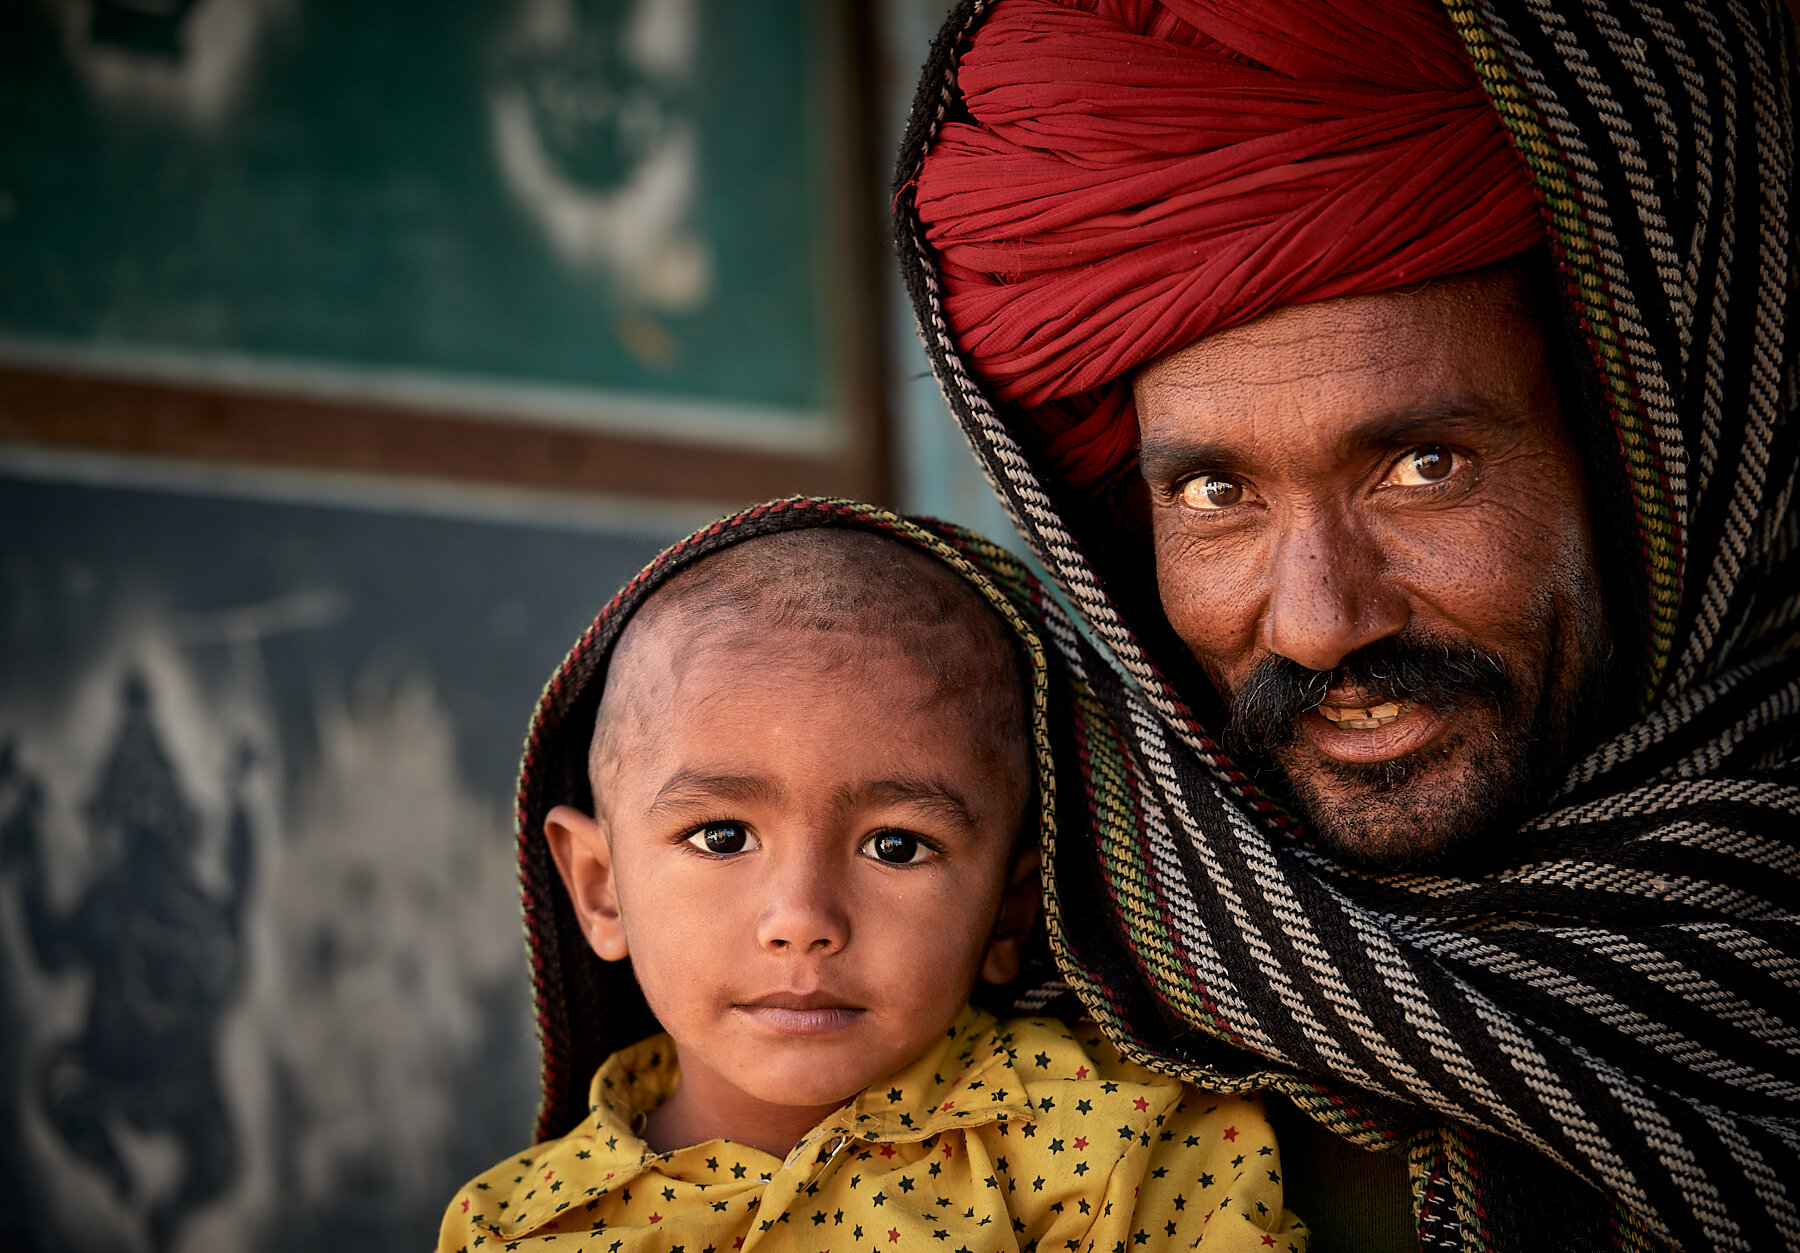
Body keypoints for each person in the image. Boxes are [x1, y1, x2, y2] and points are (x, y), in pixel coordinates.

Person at [894, 2, 1800, 1251]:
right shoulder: (975, 1024)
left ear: (1653, 445)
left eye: (1426, 466)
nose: (1321, 624)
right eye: (1217, 496)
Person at [436, 499, 1307, 1253]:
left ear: (1009, 909)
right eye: (723, 834)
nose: (803, 917)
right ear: (598, 886)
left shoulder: (1116, 1139)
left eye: (895, 845)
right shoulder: (519, 1225)